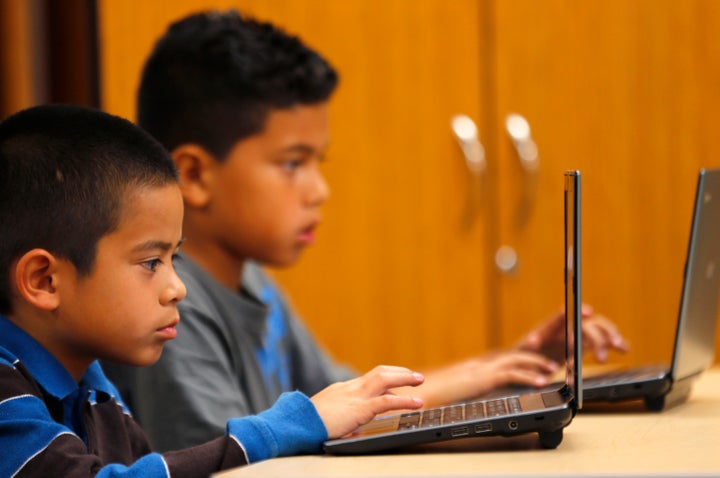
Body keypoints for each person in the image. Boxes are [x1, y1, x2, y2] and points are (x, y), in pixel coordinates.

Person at [103, 10, 628, 452]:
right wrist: (483, 375)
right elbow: (232, 462)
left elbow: (355, 404)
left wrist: (505, 370)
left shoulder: (252, 281)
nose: (318, 190)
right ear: (194, 175)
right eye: (293, 163)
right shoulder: (175, 308)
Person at [0, 104, 426, 477]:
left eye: (174, 259)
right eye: (151, 262)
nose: (177, 289)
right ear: (44, 280)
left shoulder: (90, 384)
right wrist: (283, 428)